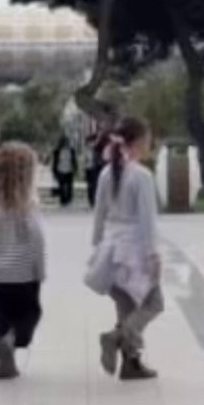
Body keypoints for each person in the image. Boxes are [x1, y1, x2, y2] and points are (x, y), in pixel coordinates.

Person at [89, 117, 162, 381]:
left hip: (111, 248)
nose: (149, 145)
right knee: (153, 303)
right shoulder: (141, 176)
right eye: (147, 140)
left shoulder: (106, 173)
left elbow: (99, 213)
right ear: (138, 142)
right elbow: (147, 219)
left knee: (126, 307)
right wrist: (153, 255)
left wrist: (97, 246)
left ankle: (131, 363)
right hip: (135, 250)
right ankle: (116, 337)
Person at [0, 142, 46, 380]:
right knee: (28, 315)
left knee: (0, 317)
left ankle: (3, 356)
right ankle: (11, 341)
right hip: (24, 272)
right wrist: (40, 269)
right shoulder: (28, 205)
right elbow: (36, 239)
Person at [52, 134, 77, 206]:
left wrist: (75, 168)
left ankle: (69, 199)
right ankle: (63, 200)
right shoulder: (57, 151)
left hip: (69, 170)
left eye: (67, 142)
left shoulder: (71, 150)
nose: (66, 144)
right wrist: (54, 171)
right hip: (60, 170)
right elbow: (55, 162)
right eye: (64, 142)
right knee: (61, 186)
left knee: (69, 186)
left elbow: (74, 160)